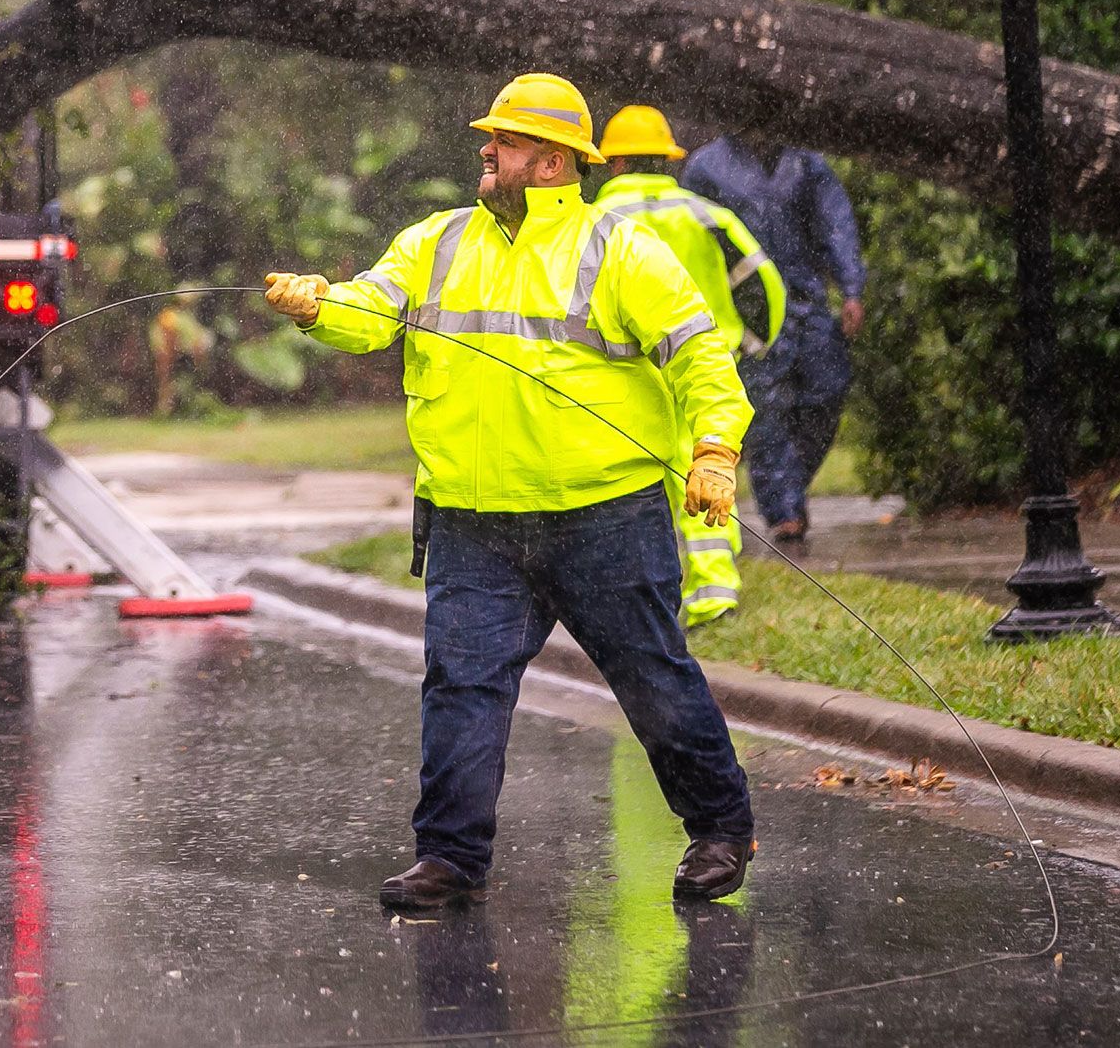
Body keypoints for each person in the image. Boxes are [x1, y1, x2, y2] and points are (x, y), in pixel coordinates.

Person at [264, 73, 755, 912]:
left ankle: (721, 829)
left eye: (508, 142)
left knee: (654, 680)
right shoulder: (437, 240)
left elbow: (703, 357)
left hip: (603, 518)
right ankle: (450, 857)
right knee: (461, 683)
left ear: (554, 161)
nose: (487, 152)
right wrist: (320, 307)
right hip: (474, 522)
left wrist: (714, 448)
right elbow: (373, 313)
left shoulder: (620, 251)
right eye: (490, 140)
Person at [593, 105, 787, 625]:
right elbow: (764, 283)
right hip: (706, 363)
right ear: (668, 159)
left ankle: (631, 597)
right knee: (705, 468)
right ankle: (714, 590)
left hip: (624, 370)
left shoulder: (592, 225)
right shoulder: (707, 216)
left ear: (612, 164)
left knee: (625, 480)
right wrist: (751, 341)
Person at [680, 132, 865, 543]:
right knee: (764, 412)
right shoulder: (707, 168)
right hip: (748, 310)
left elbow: (837, 226)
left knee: (827, 391)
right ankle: (784, 510)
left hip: (806, 300)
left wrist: (851, 287)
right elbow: (691, 239)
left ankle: (790, 485)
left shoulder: (806, 164)